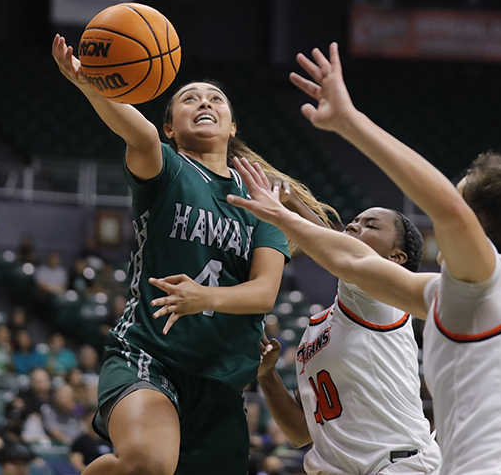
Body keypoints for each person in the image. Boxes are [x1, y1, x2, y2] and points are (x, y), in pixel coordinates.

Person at [226, 43, 501, 473]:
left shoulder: (493, 282)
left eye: (458, 188)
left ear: (475, 219)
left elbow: (441, 215)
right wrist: (282, 216)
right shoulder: (448, 294)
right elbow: (355, 264)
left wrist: (350, 121)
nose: (447, 195)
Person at [52, 34, 332, 475]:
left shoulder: (260, 203)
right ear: (170, 128)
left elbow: (263, 293)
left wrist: (204, 297)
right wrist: (91, 84)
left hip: (221, 382)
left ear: (232, 126)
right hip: (149, 355)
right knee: (147, 463)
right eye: (189, 99)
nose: (204, 102)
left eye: (216, 99)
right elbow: (138, 133)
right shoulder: (167, 168)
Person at [257, 206, 442, 474]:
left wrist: (291, 201)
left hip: (396, 465)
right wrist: (267, 374)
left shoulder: (381, 301)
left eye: (371, 225)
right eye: (353, 221)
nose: (354, 226)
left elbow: (339, 253)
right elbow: (300, 433)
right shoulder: (315, 329)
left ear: (396, 257)